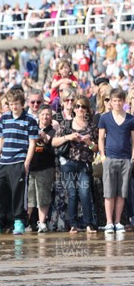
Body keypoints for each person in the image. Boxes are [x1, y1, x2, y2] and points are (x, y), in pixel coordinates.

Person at [0, 88, 38, 235]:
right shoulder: (4, 118)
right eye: (11, 104)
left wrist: (26, 163)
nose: (14, 107)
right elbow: (1, 139)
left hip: (19, 161)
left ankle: (19, 221)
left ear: (22, 104)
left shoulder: (30, 120)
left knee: (18, 194)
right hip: (3, 161)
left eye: (17, 104)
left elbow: (32, 143)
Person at [52, 96, 98, 233]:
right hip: (69, 163)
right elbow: (54, 142)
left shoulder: (92, 127)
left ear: (87, 110)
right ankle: (73, 225)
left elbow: (97, 148)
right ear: (74, 109)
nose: (80, 109)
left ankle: (88, 224)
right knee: (72, 193)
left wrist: (89, 143)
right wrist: (69, 137)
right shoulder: (66, 124)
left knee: (84, 192)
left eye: (83, 107)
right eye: (77, 106)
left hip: (84, 164)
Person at [98, 89, 134, 234]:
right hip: (110, 158)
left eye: (120, 100)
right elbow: (100, 138)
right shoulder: (104, 118)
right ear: (110, 102)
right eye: (114, 100)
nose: (117, 103)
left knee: (121, 193)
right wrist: (102, 156)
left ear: (123, 102)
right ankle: (109, 222)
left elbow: (133, 140)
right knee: (109, 192)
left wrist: (132, 158)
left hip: (125, 159)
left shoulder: (131, 119)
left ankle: (118, 221)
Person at [27, 104, 56, 233]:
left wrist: (43, 136)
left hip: (46, 167)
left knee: (43, 197)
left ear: (51, 117)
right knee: (30, 197)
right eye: (43, 114)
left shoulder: (53, 129)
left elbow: (51, 146)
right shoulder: (32, 127)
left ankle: (42, 223)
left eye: (48, 114)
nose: (45, 117)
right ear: (38, 115)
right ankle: (26, 222)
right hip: (32, 167)